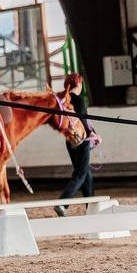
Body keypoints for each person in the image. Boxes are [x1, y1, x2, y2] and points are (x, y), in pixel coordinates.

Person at [55, 73, 100, 216]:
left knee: (86, 175)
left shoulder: (64, 101)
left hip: (70, 140)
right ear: (79, 85)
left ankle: (91, 208)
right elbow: (83, 121)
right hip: (81, 140)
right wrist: (93, 134)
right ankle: (63, 203)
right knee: (80, 174)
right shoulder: (79, 101)